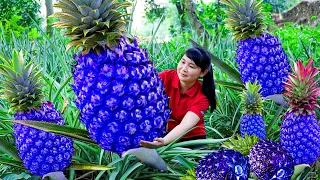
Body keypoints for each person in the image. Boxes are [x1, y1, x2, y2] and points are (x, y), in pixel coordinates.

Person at [140, 47, 217, 149]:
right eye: (183, 62)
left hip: (191, 139)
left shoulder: (203, 97)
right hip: (163, 134)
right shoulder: (166, 77)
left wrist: (164, 141)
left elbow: (185, 124)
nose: (184, 69)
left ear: (203, 73)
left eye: (191, 66)